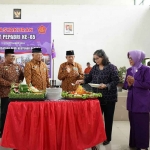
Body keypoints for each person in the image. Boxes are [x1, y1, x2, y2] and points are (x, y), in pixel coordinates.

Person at [75, 49, 119, 149]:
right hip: (96, 98)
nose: (95, 61)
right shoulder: (94, 68)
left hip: (109, 98)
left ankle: (107, 138)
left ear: (103, 57)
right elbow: (89, 78)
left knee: (108, 119)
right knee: (95, 120)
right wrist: (82, 81)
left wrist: (106, 85)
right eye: (94, 59)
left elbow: (116, 80)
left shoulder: (111, 67)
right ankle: (95, 140)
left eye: (97, 59)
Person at [123, 50, 150, 150]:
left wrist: (135, 82)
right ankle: (134, 143)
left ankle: (142, 146)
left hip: (142, 102)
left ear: (137, 58)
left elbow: (148, 84)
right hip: (132, 102)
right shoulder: (129, 70)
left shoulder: (146, 69)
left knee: (142, 125)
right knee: (133, 124)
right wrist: (129, 84)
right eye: (129, 58)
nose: (130, 60)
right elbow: (126, 85)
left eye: (131, 58)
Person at [0, 49, 24, 136]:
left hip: (17, 94)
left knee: (16, 113)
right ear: (5, 57)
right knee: (5, 112)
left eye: (14, 56)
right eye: (11, 56)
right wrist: (11, 84)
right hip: (5, 93)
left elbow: (22, 76)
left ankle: (15, 132)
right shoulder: (1, 66)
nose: (13, 58)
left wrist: (20, 83)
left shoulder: (18, 66)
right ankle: (3, 132)